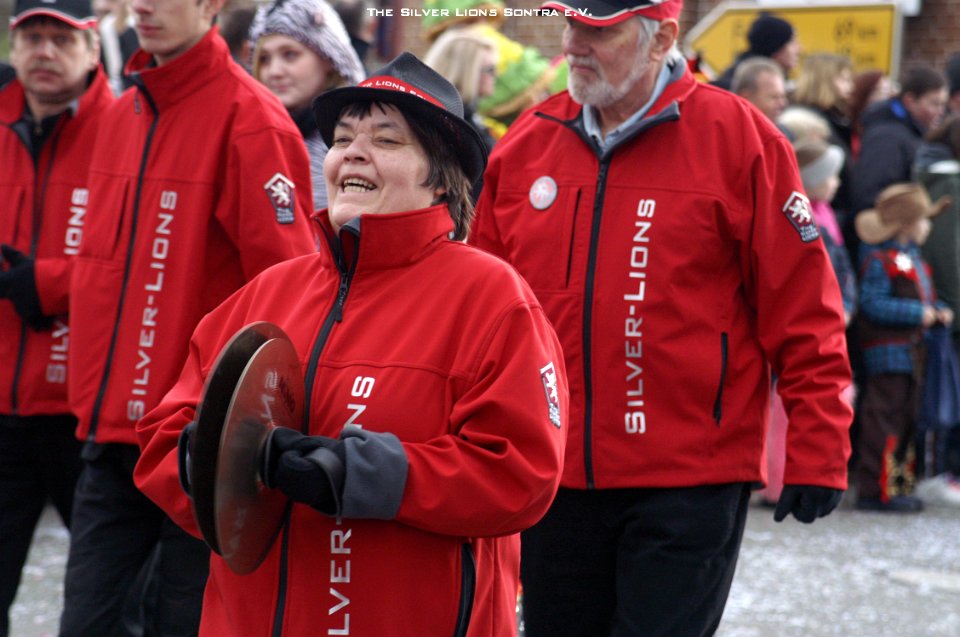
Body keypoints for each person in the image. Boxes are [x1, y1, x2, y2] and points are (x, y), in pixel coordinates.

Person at [133, 52, 567, 635]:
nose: (353, 153)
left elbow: (522, 475)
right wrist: (211, 457)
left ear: (441, 177)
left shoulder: (492, 298)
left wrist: (359, 473)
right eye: (341, 139)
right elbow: (161, 440)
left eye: (386, 140)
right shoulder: (266, 293)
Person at [470, 1, 853, 635]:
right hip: (553, 476)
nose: (574, 44)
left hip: (689, 477)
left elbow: (803, 305)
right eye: (571, 26)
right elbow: (482, 314)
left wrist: (820, 444)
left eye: (599, 31)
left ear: (661, 39)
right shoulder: (527, 143)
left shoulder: (740, 140)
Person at [55, 0, 318, 631]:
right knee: (85, 622)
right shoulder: (122, 113)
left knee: (181, 622)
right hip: (109, 439)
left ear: (210, 5)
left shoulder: (252, 121)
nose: (143, 6)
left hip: (195, 446)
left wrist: (237, 432)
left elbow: (289, 296)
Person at [0, 1, 112, 635]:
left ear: (92, 50)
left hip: (83, 414)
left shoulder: (124, 129)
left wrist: (47, 284)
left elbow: (138, 259)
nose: (45, 51)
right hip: (1, 408)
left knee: (106, 607)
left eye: (61, 39)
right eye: (32, 37)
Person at [759, 139, 858, 506]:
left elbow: (841, 272)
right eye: (830, 177)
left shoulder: (828, 218)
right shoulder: (802, 218)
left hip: (831, 318)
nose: (836, 183)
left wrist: (846, 305)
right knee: (782, 411)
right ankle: (776, 480)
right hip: (808, 322)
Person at [854, 183, 953, 512]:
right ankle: (875, 488)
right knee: (884, 418)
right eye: (924, 220)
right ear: (906, 225)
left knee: (907, 420)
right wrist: (917, 313)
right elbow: (872, 304)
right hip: (888, 355)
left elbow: (925, 298)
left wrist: (937, 310)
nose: (928, 227)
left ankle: (898, 486)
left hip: (914, 356)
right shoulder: (879, 261)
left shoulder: (914, 259)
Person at [250, 0, 365, 211]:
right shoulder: (251, 135)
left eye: (290, 54)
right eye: (264, 59)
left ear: (328, 56)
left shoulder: (361, 139)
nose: (274, 71)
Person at [912, 114, 960, 505]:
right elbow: (947, 254)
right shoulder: (948, 182)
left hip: (944, 305)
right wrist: (954, 305)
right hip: (947, 309)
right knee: (940, 398)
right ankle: (939, 473)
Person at [792, 52, 855, 217]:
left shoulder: (837, 117)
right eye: (844, 79)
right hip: (820, 210)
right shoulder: (808, 122)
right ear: (825, 80)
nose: (850, 86)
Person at [712, 12, 800, 91]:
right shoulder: (736, 87)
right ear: (776, 47)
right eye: (792, 42)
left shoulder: (769, 82)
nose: (799, 49)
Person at [730, 56, 787, 121]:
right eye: (774, 97)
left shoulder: (781, 127)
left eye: (782, 97)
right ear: (745, 98)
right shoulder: (725, 126)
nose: (782, 103)